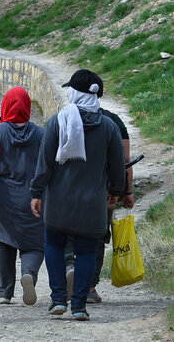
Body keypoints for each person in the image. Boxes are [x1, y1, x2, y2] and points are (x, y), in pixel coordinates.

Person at [29, 69, 125, 322]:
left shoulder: (57, 122)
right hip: (92, 205)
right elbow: (117, 165)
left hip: (58, 203)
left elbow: (45, 163)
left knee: (53, 245)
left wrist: (36, 192)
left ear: (75, 93)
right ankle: (80, 305)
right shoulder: (109, 127)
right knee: (86, 252)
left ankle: (59, 299)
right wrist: (116, 191)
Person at [63, 72, 135, 304]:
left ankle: (69, 271)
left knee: (69, 234)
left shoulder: (64, 119)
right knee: (97, 237)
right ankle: (90, 287)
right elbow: (124, 161)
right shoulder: (114, 122)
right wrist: (124, 191)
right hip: (103, 191)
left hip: (70, 189)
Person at [0, 86, 45, 306]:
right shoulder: (41, 134)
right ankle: (29, 275)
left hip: (1, 200)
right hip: (33, 199)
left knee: (3, 239)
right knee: (35, 243)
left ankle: (5, 292)